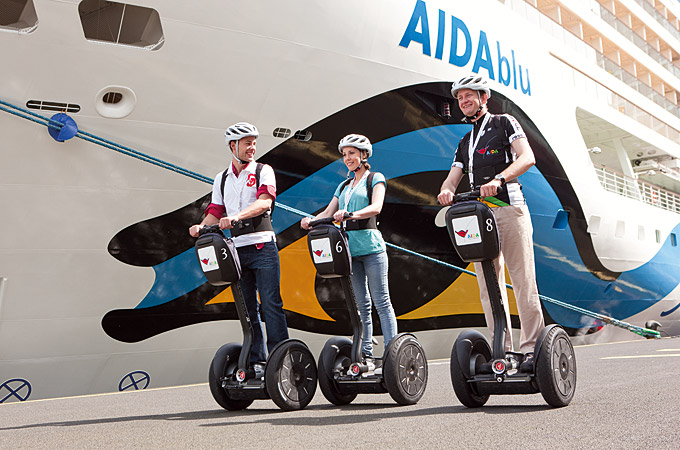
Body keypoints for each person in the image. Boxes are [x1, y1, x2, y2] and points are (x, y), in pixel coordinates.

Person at [437, 74, 544, 372]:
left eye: (469, 95)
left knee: (522, 280)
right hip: (479, 216)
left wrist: (499, 179)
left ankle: (531, 348)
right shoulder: (465, 141)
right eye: (460, 97)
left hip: (509, 207)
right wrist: (446, 190)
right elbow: (452, 177)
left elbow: (527, 157)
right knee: (488, 286)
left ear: (483, 97)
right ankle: (503, 350)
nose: (464, 101)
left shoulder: (504, 123)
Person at [189, 122, 289, 366]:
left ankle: (280, 360)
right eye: (247, 143)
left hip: (263, 247)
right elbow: (215, 211)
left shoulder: (264, 171)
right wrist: (200, 226)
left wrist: (236, 217)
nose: (252, 147)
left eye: (254, 143)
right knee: (246, 308)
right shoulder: (221, 179)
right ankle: (257, 361)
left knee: (271, 304)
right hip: (236, 250)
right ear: (232, 146)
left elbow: (265, 202)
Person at [301, 134, 397, 367]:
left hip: (372, 248)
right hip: (350, 251)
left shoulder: (375, 178)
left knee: (382, 301)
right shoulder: (343, 185)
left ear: (363, 155)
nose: (347, 158)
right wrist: (311, 221)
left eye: (352, 153)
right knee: (361, 305)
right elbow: (328, 213)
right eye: (344, 155)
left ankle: (392, 353)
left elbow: (376, 207)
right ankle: (365, 353)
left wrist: (351, 215)